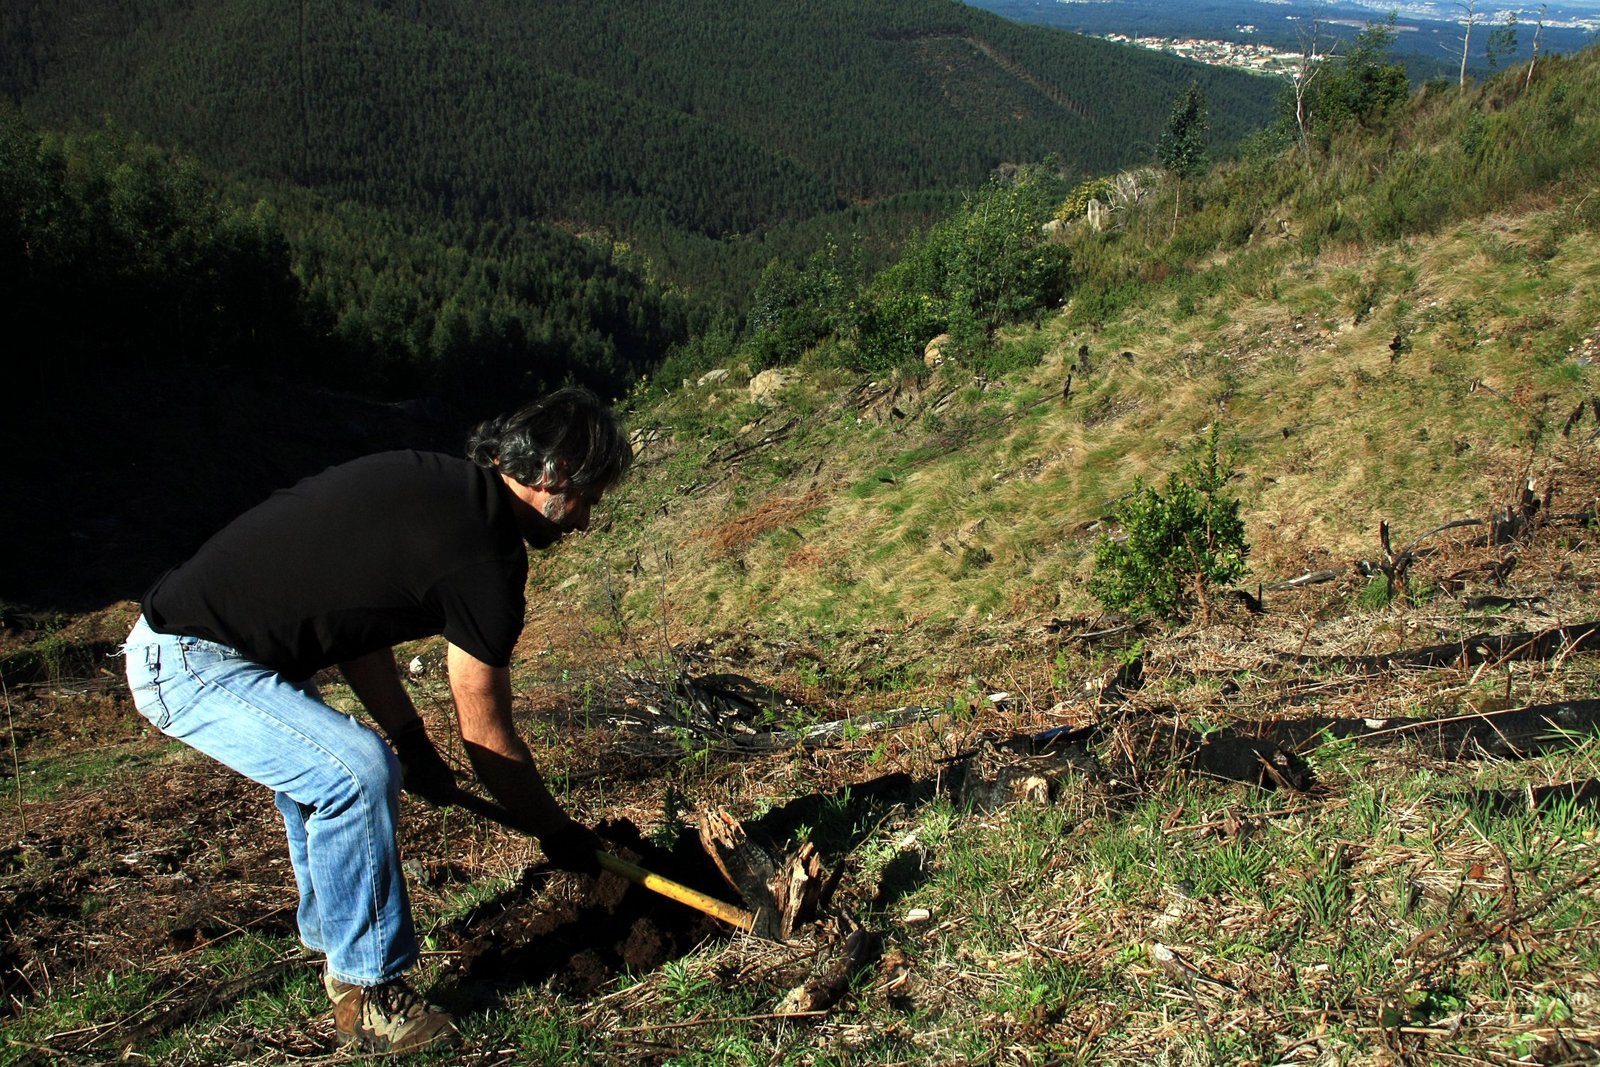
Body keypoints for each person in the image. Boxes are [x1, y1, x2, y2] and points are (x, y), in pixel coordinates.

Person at [122, 386, 631, 1054]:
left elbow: (357, 625)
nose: (585, 521)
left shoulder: (436, 486)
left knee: (332, 769)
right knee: (355, 773)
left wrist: (414, 744)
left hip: (207, 645)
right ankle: (367, 991)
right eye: (588, 498)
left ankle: (332, 940)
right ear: (554, 473)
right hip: (189, 659)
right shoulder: (485, 554)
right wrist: (556, 832)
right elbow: (486, 733)